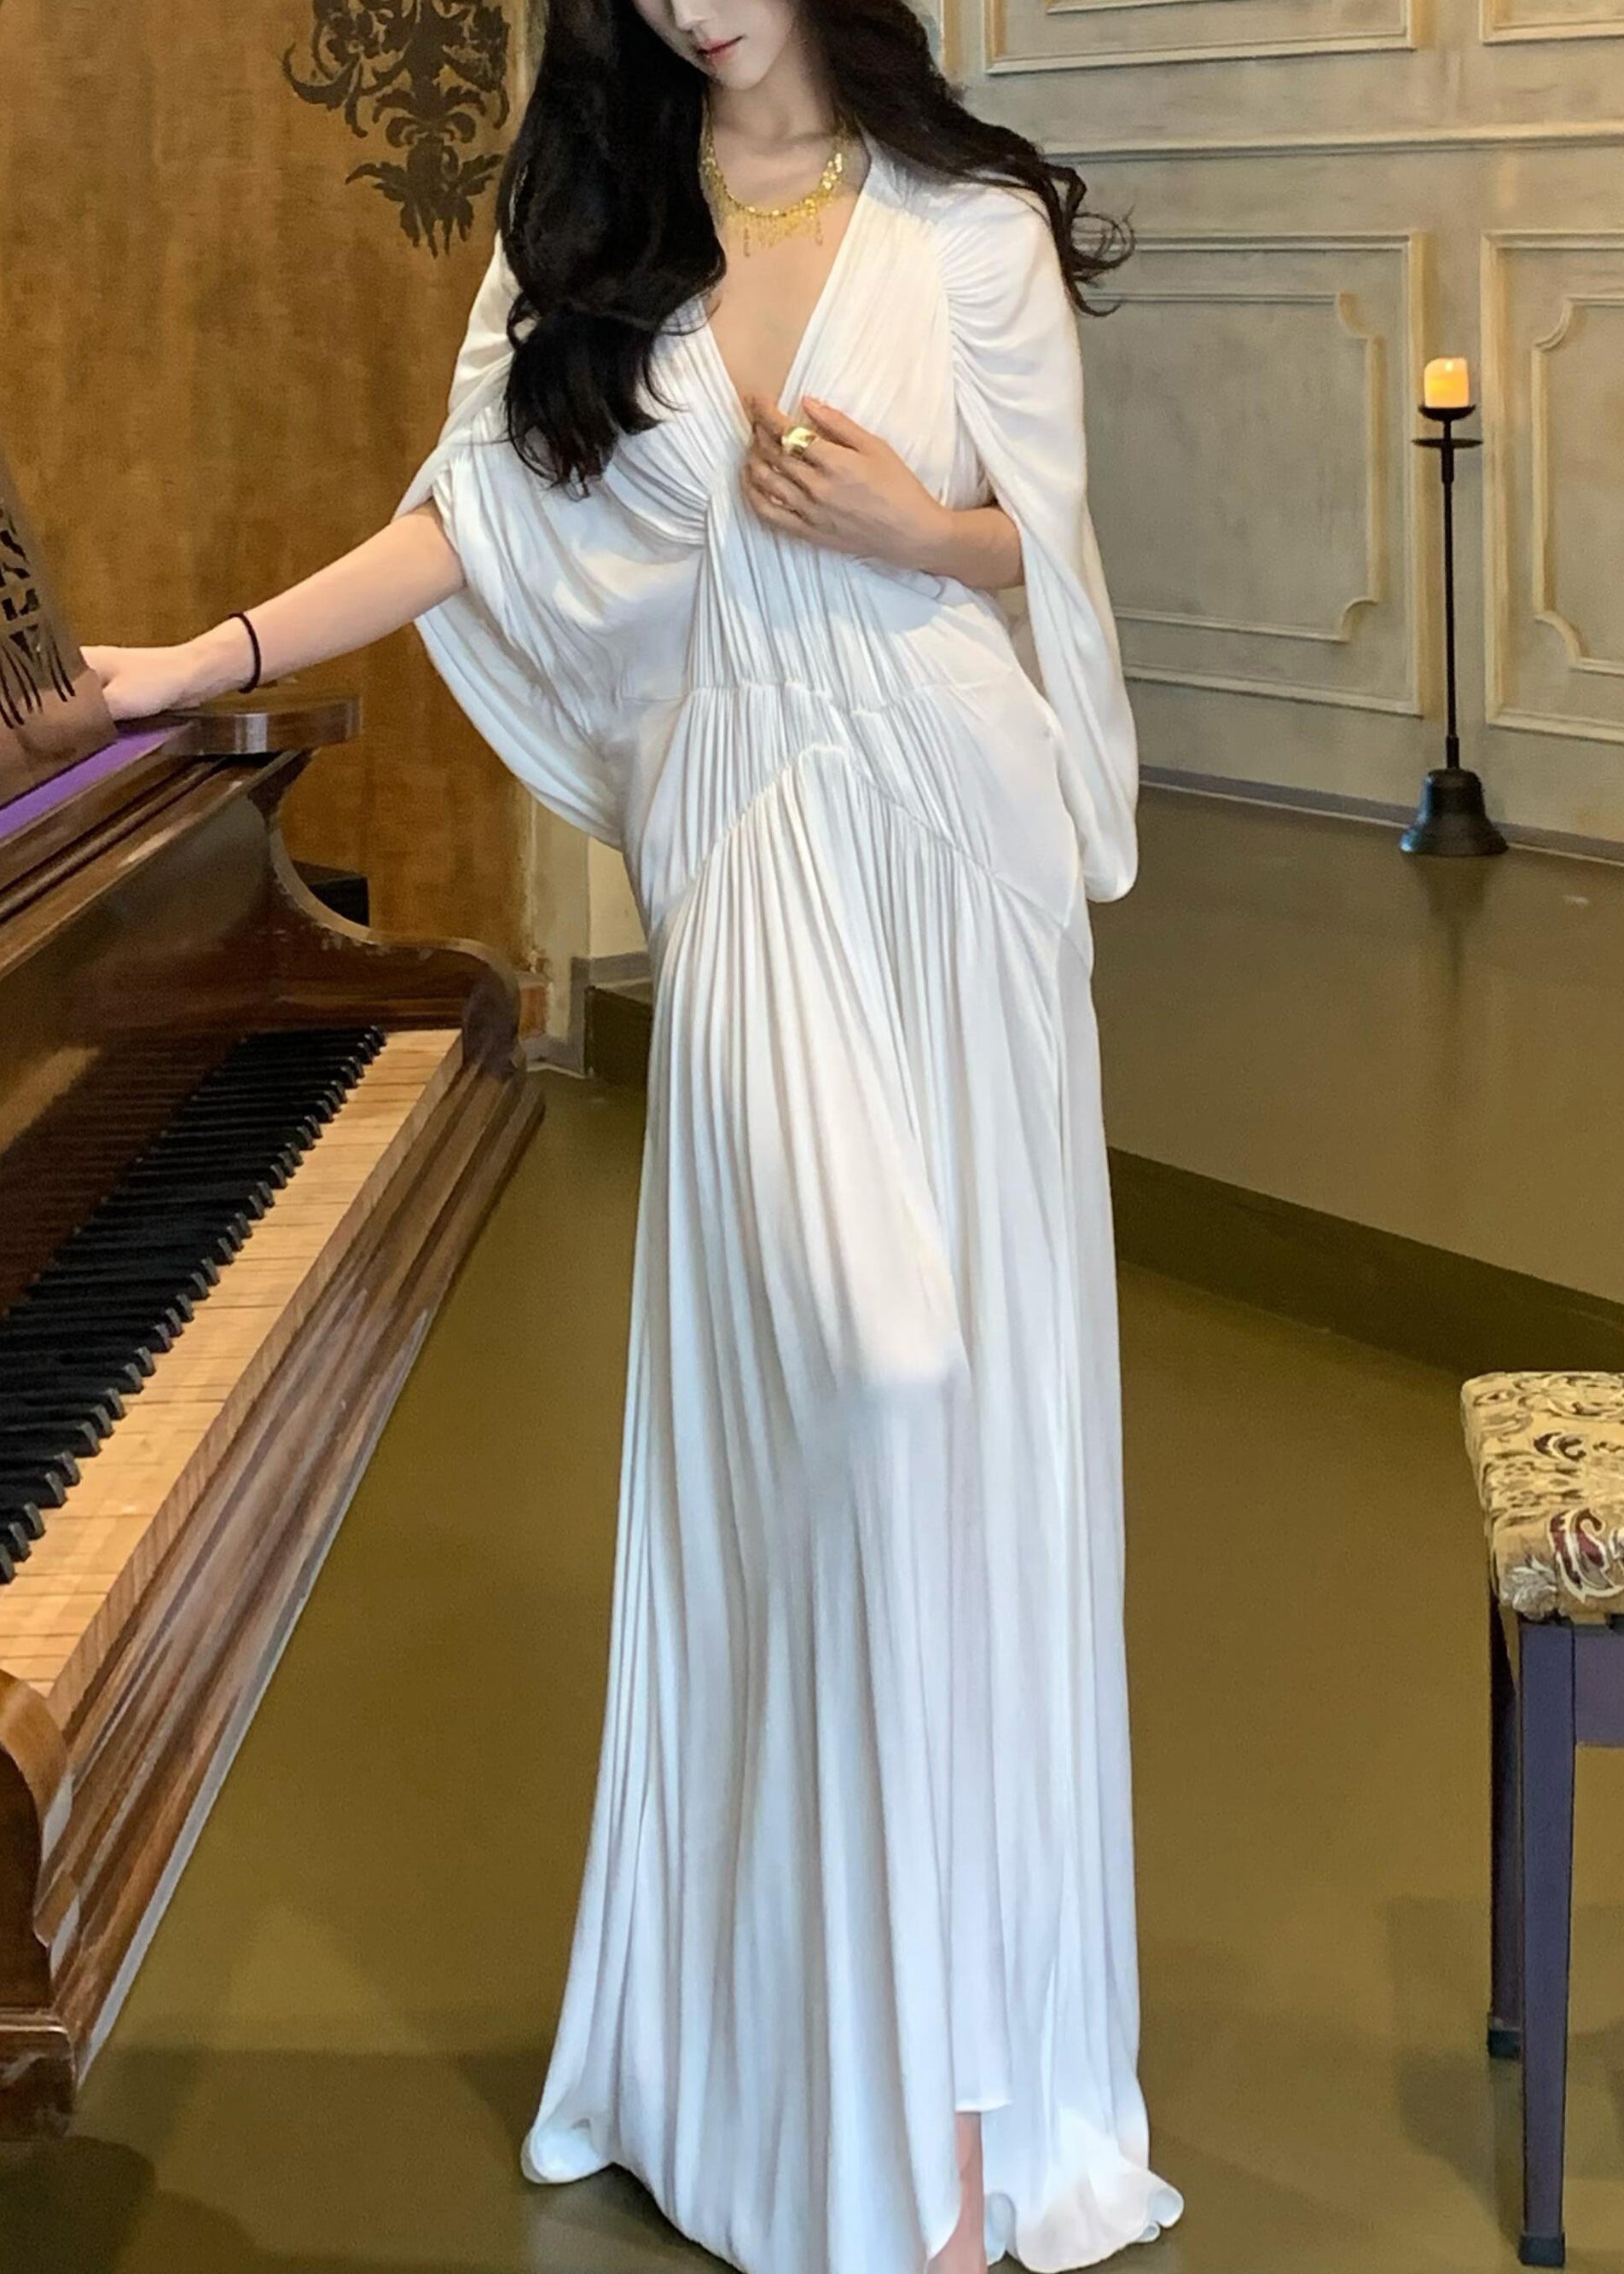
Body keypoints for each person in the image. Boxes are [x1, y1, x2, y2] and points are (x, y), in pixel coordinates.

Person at [84, 0, 1184, 2265]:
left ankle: (963, 2104)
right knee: (880, 1379)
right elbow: (461, 528)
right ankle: (788, 2069)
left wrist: (918, 525)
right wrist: (198, 662)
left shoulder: (969, 222)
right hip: (756, 836)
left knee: (977, 1440)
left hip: (962, 846)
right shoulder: (595, 230)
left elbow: (1057, 563)